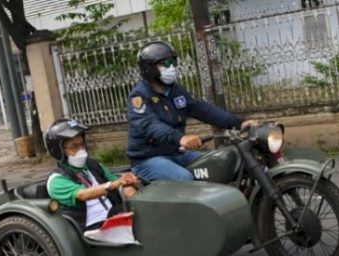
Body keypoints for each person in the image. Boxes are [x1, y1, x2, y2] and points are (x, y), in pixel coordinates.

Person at [126, 41, 258, 181]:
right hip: (148, 159)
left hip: (177, 153)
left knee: (219, 165)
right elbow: (149, 125)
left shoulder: (175, 91)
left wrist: (239, 122)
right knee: (185, 179)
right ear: (149, 68)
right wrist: (180, 138)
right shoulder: (139, 96)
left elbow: (202, 109)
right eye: (164, 64)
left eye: (172, 62)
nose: (170, 68)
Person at [45, 118, 138, 232]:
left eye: (82, 144)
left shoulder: (91, 164)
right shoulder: (56, 180)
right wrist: (112, 185)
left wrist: (130, 189)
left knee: (143, 215)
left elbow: (118, 182)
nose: (81, 150)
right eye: (74, 147)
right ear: (59, 151)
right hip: (92, 227)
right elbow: (83, 194)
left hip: (112, 214)